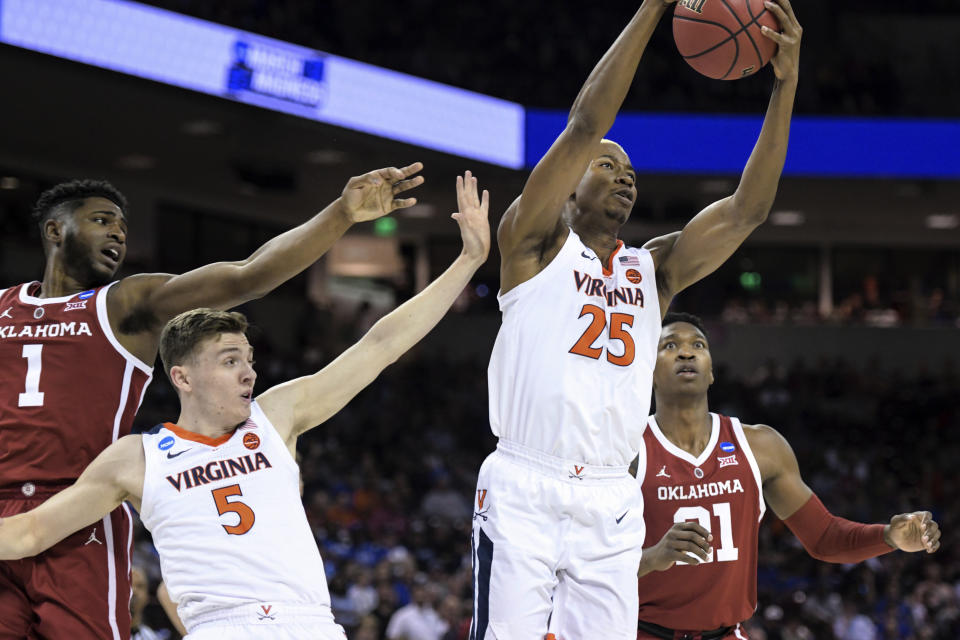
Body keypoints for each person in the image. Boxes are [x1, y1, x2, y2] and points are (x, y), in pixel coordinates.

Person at [0, 171, 488, 639]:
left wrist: (466, 262)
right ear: (182, 377)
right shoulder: (137, 459)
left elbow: (380, 345)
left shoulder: (276, 416)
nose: (249, 372)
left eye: (249, 359)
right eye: (231, 360)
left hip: (312, 624)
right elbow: (28, 534)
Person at [475, 0, 803, 637]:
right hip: (526, 481)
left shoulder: (651, 269)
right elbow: (584, 124)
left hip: (612, 497)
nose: (625, 178)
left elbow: (747, 211)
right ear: (569, 185)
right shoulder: (531, 243)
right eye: (608, 166)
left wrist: (784, 84)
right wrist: (655, 8)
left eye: (631, 174)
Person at [633, 312, 941, 640]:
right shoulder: (625, 452)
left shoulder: (761, 446)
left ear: (711, 372)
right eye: (669, 345)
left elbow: (824, 538)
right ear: (647, 370)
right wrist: (653, 558)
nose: (686, 352)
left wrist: (888, 537)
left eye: (698, 344)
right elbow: (582, 564)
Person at [130, 566, 165, 640]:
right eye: (129, 584)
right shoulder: (105, 631)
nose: (134, 591)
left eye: (139, 586)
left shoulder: (150, 636)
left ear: (147, 597)